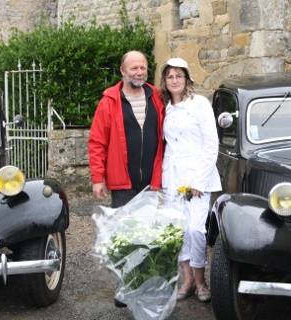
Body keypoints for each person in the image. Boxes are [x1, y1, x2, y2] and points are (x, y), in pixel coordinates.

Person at [88, 50, 165, 307]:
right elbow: (97, 141)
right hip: (123, 182)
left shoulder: (157, 98)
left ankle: (145, 285)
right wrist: (98, 178)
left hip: (151, 181)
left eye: (142, 67)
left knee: (149, 236)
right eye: (133, 68)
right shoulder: (110, 101)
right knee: (124, 237)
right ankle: (124, 287)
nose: (139, 72)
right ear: (122, 71)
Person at [159, 58, 222, 303]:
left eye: (179, 76)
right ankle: (186, 280)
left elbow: (211, 144)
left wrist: (199, 180)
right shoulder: (165, 107)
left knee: (196, 229)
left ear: (186, 79)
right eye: (170, 76)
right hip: (172, 174)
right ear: (165, 81)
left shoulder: (200, 104)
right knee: (178, 229)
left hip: (197, 175)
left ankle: (200, 280)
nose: (175, 80)